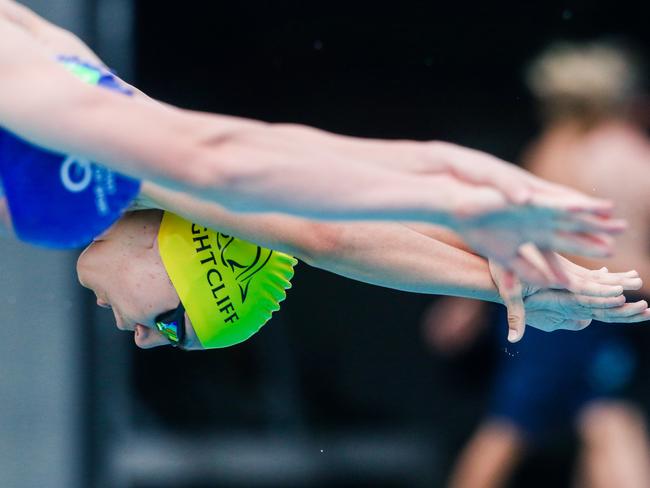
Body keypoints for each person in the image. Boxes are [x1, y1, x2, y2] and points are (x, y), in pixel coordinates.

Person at [0, 0, 628, 286]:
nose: (144, 339)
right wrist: (448, 193)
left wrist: (445, 185)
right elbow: (299, 216)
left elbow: (271, 163)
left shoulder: (127, 163)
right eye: (177, 328)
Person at [425, 40, 650, 488]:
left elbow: (507, 233)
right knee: (580, 419)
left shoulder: (550, 151)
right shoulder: (633, 156)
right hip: (602, 302)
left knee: (569, 420)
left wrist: (465, 300)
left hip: (552, 302)